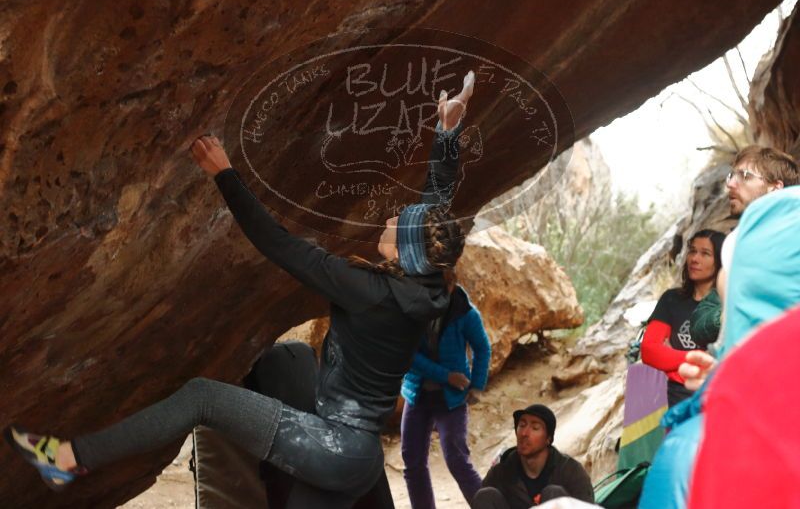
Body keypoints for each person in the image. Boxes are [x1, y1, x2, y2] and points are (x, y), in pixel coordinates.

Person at [5, 71, 477, 508]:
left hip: (333, 449)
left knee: (201, 397)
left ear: (408, 251)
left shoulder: (369, 290)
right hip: (356, 457)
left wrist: (224, 173)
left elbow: (278, 244)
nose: (391, 219)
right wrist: (447, 133)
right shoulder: (427, 282)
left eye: (399, 224)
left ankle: (68, 458)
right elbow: (437, 201)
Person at [681, 145, 799, 389]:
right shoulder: (736, 244)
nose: (731, 184)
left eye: (745, 176)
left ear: (775, 188)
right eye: (731, 176)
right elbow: (700, 322)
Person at [400, 282, 491, 508]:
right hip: (417, 395)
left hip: (452, 398)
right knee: (412, 463)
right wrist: (446, 375)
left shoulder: (466, 313)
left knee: (457, 460)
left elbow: (482, 347)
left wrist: (477, 385)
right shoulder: (411, 308)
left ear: (450, 284)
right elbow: (407, 354)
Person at [640, 229, 725, 407]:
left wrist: (671, 358)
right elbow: (649, 350)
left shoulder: (725, 305)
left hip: (715, 399)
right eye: (692, 251)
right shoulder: (671, 299)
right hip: (672, 399)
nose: (695, 258)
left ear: (719, 261)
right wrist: (702, 357)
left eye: (705, 253)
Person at [471, 404, 594, 509]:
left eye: (535, 428)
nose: (524, 433)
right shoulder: (502, 471)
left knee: (554, 494)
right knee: (485, 495)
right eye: (522, 425)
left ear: (548, 439)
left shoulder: (571, 471)